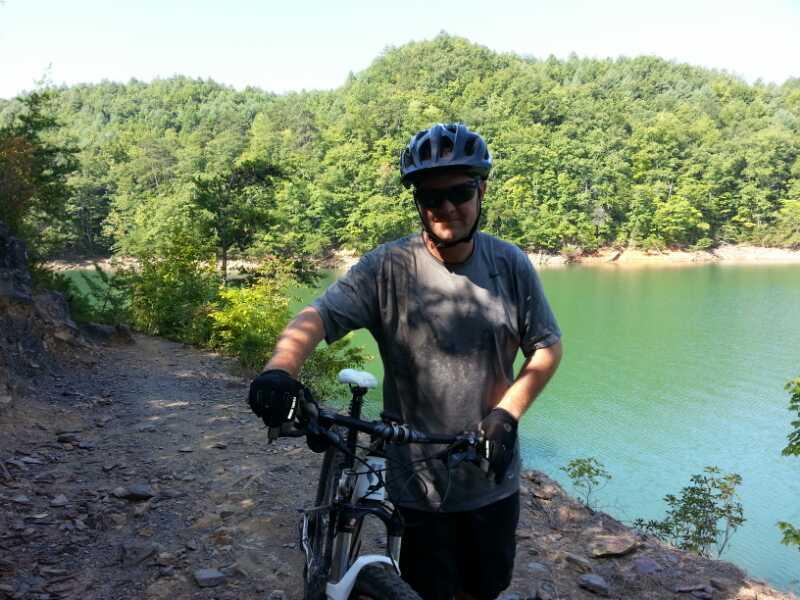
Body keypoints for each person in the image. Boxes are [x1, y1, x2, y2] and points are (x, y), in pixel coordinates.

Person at [248, 123, 563, 600]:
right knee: (428, 588)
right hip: (417, 481)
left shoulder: (509, 264)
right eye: (432, 197)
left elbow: (545, 347)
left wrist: (506, 414)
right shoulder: (387, 268)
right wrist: (279, 371)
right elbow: (317, 317)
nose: (447, 208)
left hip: (490, 476)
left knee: (487, 587)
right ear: (418, 202)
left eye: (459, 192)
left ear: (482, 189)